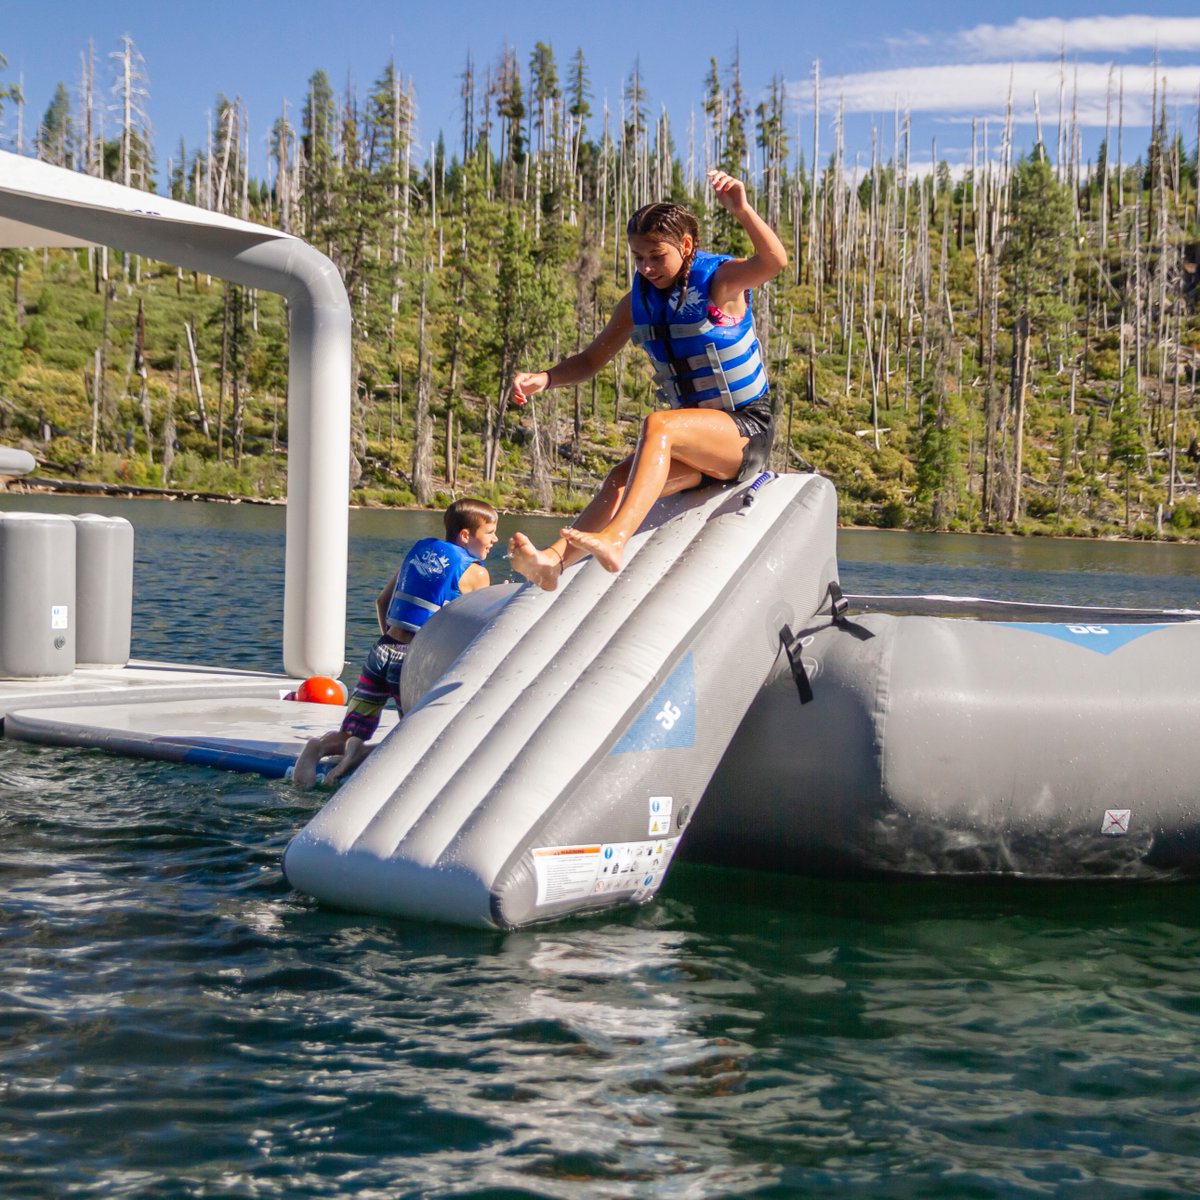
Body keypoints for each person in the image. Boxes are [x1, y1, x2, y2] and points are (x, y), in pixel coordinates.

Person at [507, 168, 787, 591]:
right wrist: (544, 379)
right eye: (639, 257)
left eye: (657, 256)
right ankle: (551, 562)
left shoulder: (722, 281)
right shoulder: (635, 304)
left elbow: (774, 261)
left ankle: (614, 540)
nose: (647, 267)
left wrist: (742, 210)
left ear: (686, 246)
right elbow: (589, 360)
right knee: (622, 477)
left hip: (747, 431)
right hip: (698, 447)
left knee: (660, 425)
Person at [291, 497, 499, 787]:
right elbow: (477, 628)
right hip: (412, 661)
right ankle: (362, 754)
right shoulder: (476, 572)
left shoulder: (419, 551)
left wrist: (391, 640)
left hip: (381, 649)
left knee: (349, 732)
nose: (495, 539)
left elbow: (382, 601)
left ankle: (320, 749)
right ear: (466, 535)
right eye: (490, 533)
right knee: (419, 741)